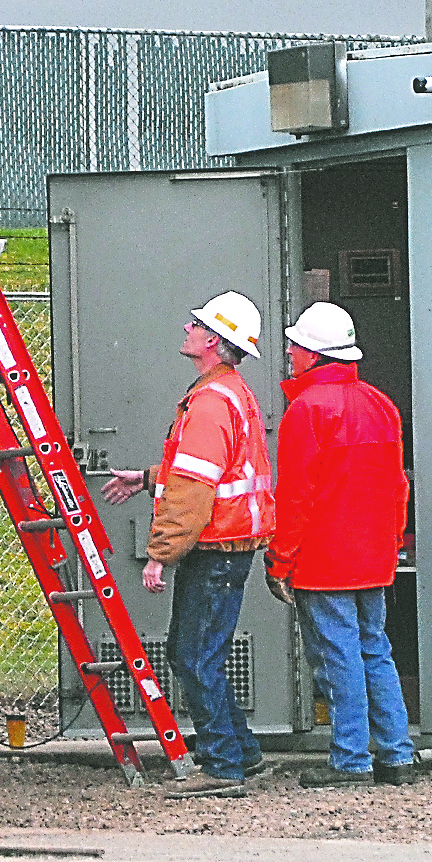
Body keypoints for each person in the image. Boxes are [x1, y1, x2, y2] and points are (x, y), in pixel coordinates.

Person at [100, 290, 275, 799]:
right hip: (229, 546)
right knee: (200, 654)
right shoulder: (228, 392)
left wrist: (160, 553)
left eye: (196, 325)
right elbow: (203, 475)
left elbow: (195, 489)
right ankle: (240, 753)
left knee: (192, 656)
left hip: (215, 550)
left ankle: (223, 764)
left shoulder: (210, 401)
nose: (187, 330)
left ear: (214, 342)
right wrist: (151, 477)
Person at [268, 301, 420, 788]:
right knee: (374, 650)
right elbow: (398, 486)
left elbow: (295, 498)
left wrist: (279, 561)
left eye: (295, 346)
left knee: (339, 657)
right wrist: (392, 542)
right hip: (373, 558)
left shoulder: (305, 410)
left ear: (313, 355)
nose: (289, 353)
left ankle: (351, 760)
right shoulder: (380, 404)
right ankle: (397, 756)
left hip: (322, 560)